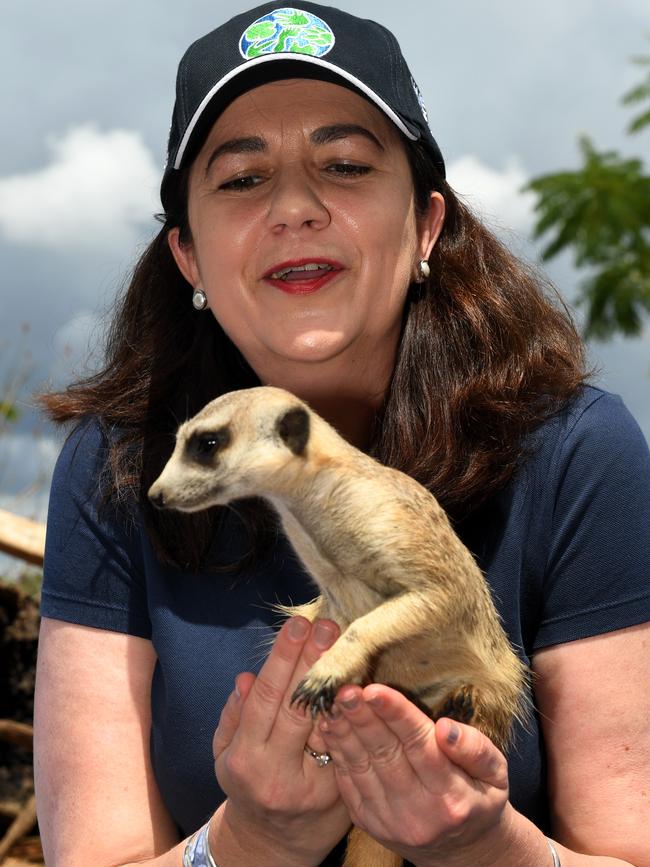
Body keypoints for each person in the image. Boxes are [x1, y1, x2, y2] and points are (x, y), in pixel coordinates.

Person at [33, 3, 650, 866]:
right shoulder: (118, 465)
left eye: (347, 164)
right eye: (242, 179)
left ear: (426, 225)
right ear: (188, 257)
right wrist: (253, 837)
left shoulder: (579, 453)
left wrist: (486, 846)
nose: (296, 207)